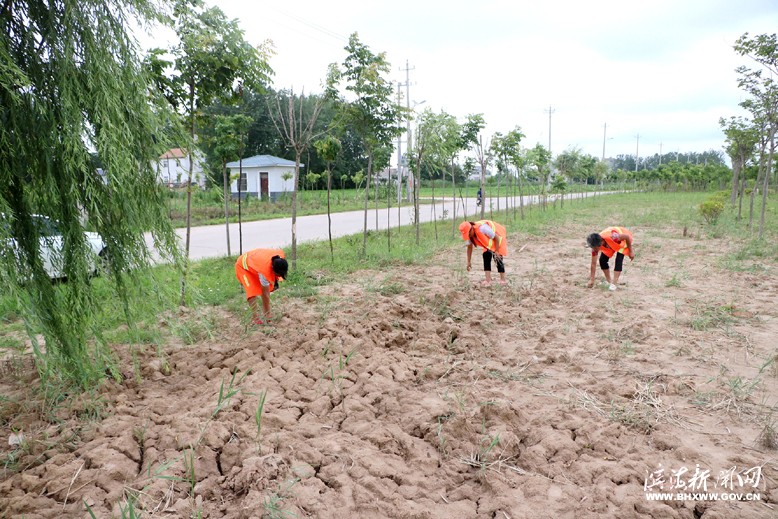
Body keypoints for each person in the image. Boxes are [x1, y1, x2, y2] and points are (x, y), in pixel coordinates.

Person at [235, 248, 288, 325]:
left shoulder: (279, 260)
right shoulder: (264, 270)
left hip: (254, 261)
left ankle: (265, 314)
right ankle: (255, 317)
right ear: (272, 269)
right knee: (252, 291)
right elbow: (265, 294)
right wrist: (267, 314)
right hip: (243, 266)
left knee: (264, 286)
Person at [459, 219, 508, 286]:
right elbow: (469, 248)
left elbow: (496, 238)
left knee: (497, 257)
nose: (469, 236)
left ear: (471, 228)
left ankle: (503, 280)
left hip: (498, 237)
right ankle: (488, 280)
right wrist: (468, 261)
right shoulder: (469, 235)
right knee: (486, 255)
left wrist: (496, 251)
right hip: (488, 242)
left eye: (469, 234)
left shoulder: (483, 228)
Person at [586, 227, 635, 291]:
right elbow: (593, 263)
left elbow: (627, 237)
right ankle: (609, 281)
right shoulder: (595, 247)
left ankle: (614, 283)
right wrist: (592, 279)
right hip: (610, 245)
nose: (594, 250)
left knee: (618, 260)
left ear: (601, 243)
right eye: (593, 248)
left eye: (595, 248)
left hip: (623, 241)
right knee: (602, 260)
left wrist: (631, 251)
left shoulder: (614, 236)